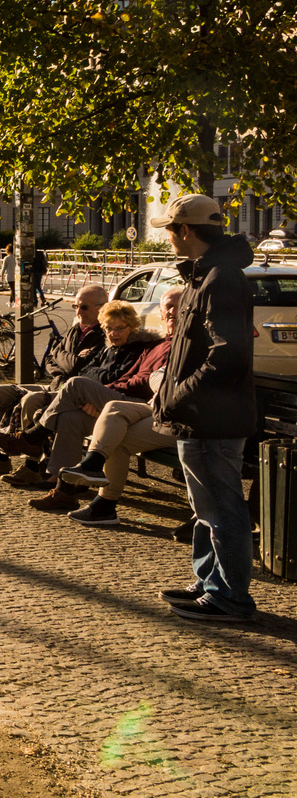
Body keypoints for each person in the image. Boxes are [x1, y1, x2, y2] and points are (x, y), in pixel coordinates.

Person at [147, 194, 257, 622]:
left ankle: (230, 597)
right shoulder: (205, 275)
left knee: (222, 509)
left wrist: (177, 395)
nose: (168, 238)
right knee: (208, 507)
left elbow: (226, 356)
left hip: (211, 418)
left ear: (185, 231)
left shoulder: (219, 278)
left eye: (170, 230)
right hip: (202, 416)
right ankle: (211, 581)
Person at [17, 299, 168, 506]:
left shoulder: (144, 345)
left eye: (119, 328)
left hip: (136, 405)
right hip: (115, 397)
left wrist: (105, 387)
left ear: (132, 327)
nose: (113, 333)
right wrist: (102, 387)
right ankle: (65, 490)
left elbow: (139, 381)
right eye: (109, 329)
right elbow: (88, 371)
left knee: (76, 385)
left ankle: (34, 436)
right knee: (70, 417)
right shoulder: (128, 347)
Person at [56, 288, 186, 525]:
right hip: (153, 405)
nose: (172, 312)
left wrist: (153, 384)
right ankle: (92, 471)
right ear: (160, 311)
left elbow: (157, 379)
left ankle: (104, 501)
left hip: (179, 413)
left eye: (179, 306)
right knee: (113, 410)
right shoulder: (158, 343)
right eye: (168, 306)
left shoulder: (189, 341)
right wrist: (147, 384)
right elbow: (146, 375)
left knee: (116, 431)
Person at [0, 283, 109, 478]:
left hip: (68, 393)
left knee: (31, 400)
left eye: (84, 307)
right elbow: (51, 360)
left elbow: (78, 368)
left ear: (101, 308)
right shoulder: (76, 329)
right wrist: (67, 358)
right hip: (55, 383)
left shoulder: (104, 334)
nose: (78, 311)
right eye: (75, 306)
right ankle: (0, 456)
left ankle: (32, 465)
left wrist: (64, 357)